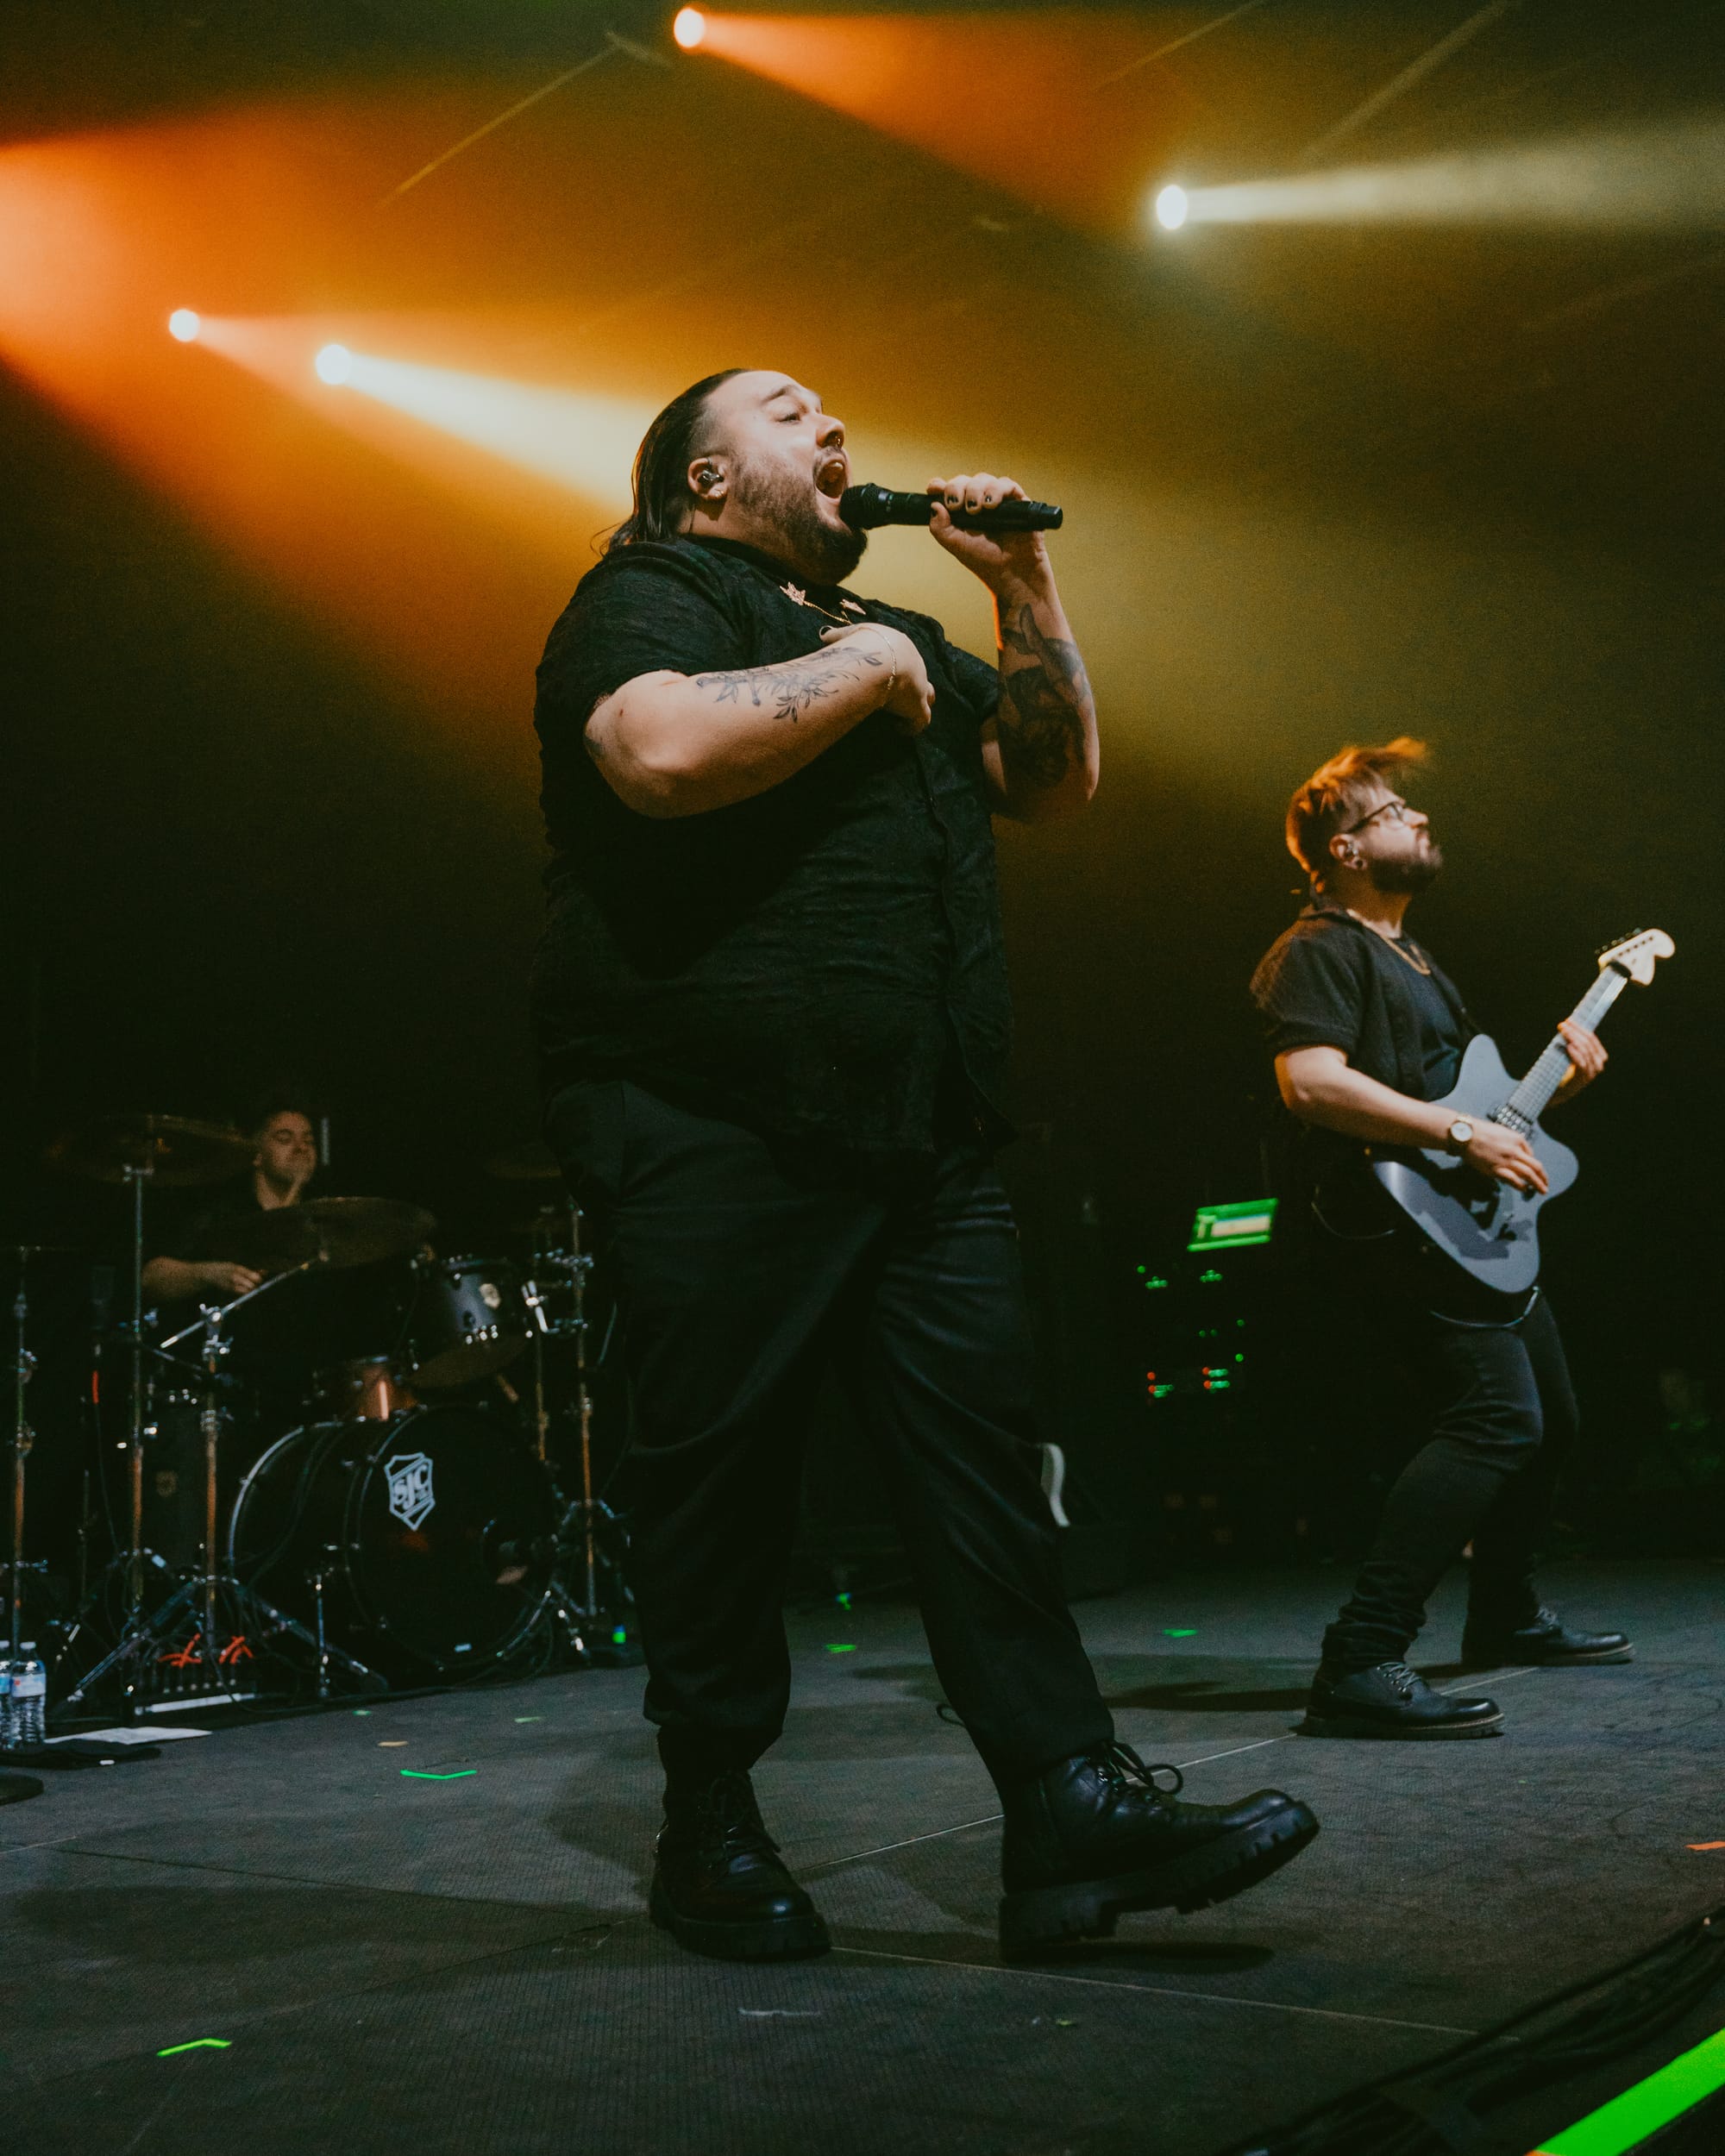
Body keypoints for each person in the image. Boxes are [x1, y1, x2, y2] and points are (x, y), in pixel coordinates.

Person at [531, 367, 1317, 1965]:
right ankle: (710, 1824)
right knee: (722, 1490)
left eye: (832, 412)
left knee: (985, 1484)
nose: (832, 429)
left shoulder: (889, 629)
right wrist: (872, 666)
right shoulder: (649, 591)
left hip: (923, 1128)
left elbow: (1053, 780)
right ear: (703, 479)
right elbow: (655, 752)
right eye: (786, 411)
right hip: (720, 1116)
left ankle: (1067, 1815)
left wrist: (1021, 586)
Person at [1250, 737, 1631, 1741]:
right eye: (1390, 812)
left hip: (1460, 1225)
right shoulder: (1316, 948)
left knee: (1551, 1417)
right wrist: (1463, 1137)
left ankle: (1503, 1611)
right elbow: (1309, 1083)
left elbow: (1467, 1107)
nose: (1417, 818)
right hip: (1392, 1224)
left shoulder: (1415, 958)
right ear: (1343, 848)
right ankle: (1358, 1660)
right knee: (1493, 1419)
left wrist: (1553, 1089)